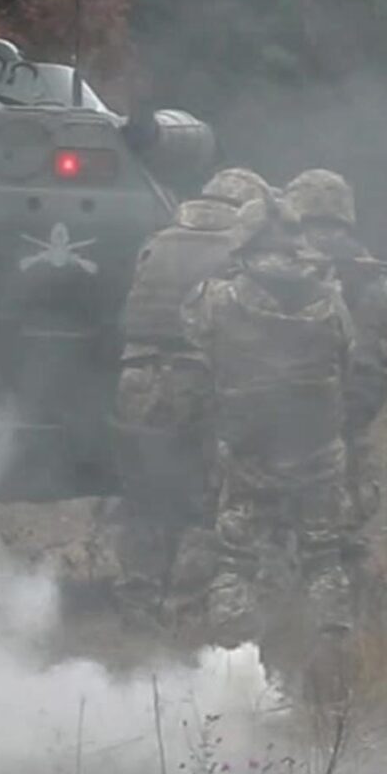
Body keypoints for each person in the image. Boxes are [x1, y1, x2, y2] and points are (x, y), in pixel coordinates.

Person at [183, 190, 353, 710]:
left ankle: (235, 674)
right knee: (324, 559)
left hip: (249, 455)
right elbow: (346, 355)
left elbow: (195, 343)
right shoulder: (330, 294)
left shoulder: (217, 296)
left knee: (235, 559)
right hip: (318, 451)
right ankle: (331, 661)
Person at [107, 167, 275, 637]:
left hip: (135, 378)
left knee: (143, 498)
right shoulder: (240, 250)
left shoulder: (155, 242)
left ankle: (137, 602)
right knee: (204, 501)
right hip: (199, 379)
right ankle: (185, 607)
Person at [281, 170, 387, 561]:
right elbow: (386, 319)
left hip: (281, 396)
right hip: (348, 400)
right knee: (345, 500)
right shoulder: (362, 262)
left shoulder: (281, 250)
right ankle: (339, 573)